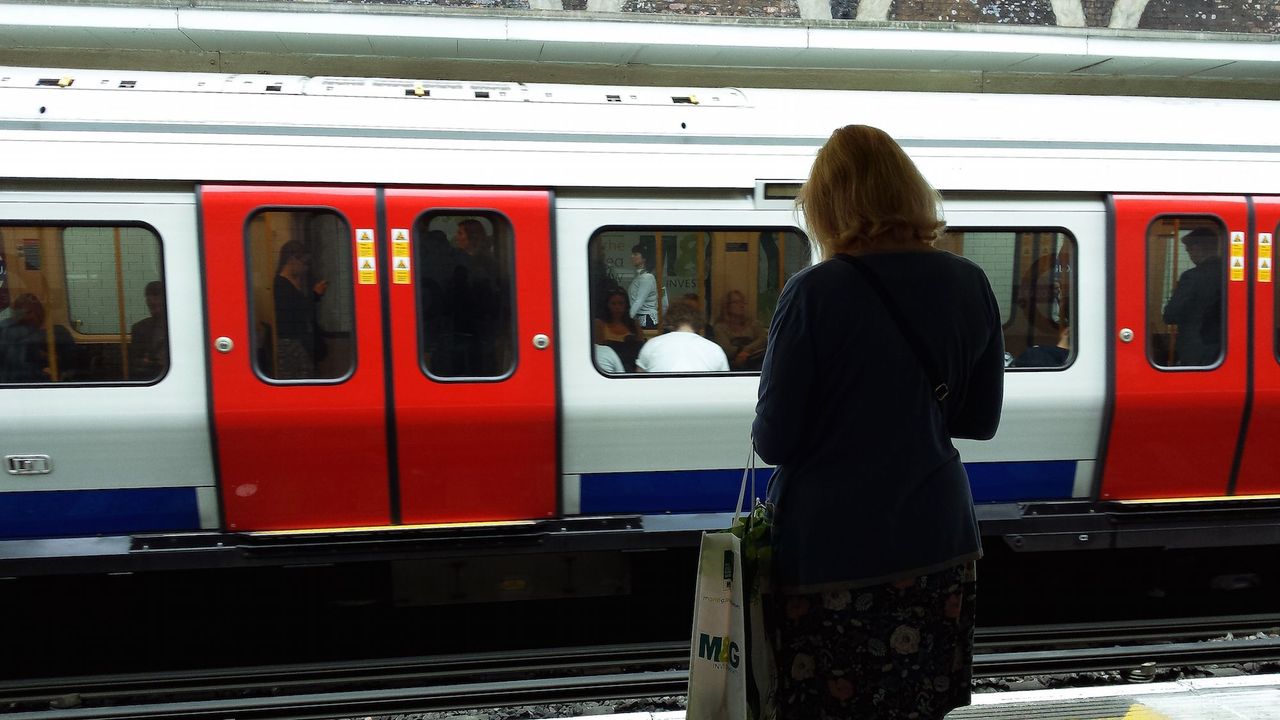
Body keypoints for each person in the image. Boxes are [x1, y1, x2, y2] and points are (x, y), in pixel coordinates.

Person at [752, 125, 1004, 720]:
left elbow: (775, 439)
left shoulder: (815, 291)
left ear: (828, 206)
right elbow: (979, 420)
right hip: (937, 541)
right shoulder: (969, 282)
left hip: (831, 550)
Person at [1162, 227, 1223, 366]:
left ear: (1198, 247)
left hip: (1196, 350)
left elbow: (1171, 315)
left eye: (1189, 249)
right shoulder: (1229, 275)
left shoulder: (1192, 277)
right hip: (1221, 349)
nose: (1189, 253)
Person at [273, 240, 328, 379]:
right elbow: (297, 312)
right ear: (292, 260)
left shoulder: (294, 282)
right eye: (304, 263)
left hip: (300, 339)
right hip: (290, 341)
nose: (306, 268)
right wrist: (315, 294)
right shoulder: (281, 285)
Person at [0, 293, 78, 383]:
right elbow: (17, 367)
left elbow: (72, 364)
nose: (24, 316)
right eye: (19, 312)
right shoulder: (7, 332)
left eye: (28, 312)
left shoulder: (58, 333)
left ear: (40, 312)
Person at [635, 300, 729, 372]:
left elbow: (638, 382)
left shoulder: (652, 345)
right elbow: (725, 387)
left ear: (669, 320)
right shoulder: (715, 349)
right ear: (699, 321)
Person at [709, 289, 767, 370]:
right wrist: (740, 353)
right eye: (736, 302)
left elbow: (763, 339)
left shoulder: (754, 324)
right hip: (732, 367)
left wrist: (746, 351)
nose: (741, 305)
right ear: (727, 306)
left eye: (743, 302)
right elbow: (726, 349)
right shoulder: (720, 327)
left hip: (755, 364)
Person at [594, 288, 643, 372]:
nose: (617, 307)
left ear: (626, 305)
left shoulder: (634, 324)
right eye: (613, 304)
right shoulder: (600, 324)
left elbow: (642, 351)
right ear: (607, 305)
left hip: (634, 370)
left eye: (621, 303)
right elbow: (599, 352)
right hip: (610, 371)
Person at [129, 280, 168, 380]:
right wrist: (144, 362)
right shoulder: (139, 328)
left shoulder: (180, 327)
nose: (153, 303)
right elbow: (133, 363)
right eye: (152, 306)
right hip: (149, 378)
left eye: (157, 304)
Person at [627, 245, 661, 330]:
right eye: (632, 254)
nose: (632, 256)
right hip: (640, 319)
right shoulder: (640, 276)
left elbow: (639, 300)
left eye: (635, 254)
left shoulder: (647, 277)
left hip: (647, 320)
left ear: (644, 259)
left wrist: (627, 319)